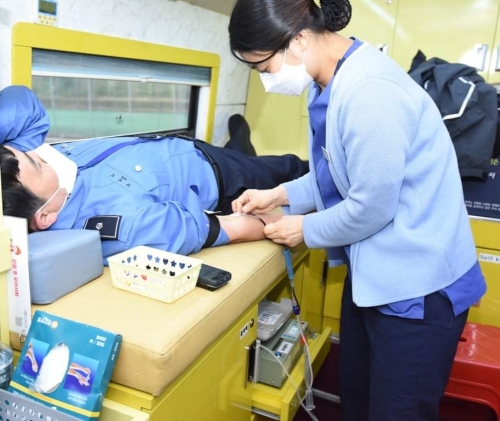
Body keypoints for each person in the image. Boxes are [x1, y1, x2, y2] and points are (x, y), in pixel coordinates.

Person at [228, 1, 487, 420]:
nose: (265, 80)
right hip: (375, 276)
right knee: (357, 395)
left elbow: (371, 207)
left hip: (418, 287)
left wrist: (303, 229)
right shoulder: (328, 81)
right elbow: (337, 175)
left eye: (263, 67)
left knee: (396, 411)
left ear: (298, 40)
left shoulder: (370, 91)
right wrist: (278, 194)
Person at [0, 85, 309, 264]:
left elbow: (23, 102)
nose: (40, 154)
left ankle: (239, 146)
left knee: (242, 153)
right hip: (218, 176)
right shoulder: (117, 226)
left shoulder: (23, 172)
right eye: (37, 164)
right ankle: (315, 170)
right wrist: (280, 222)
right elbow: (205, 228)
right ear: (45, 217)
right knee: (287, 168)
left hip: (183, 148)